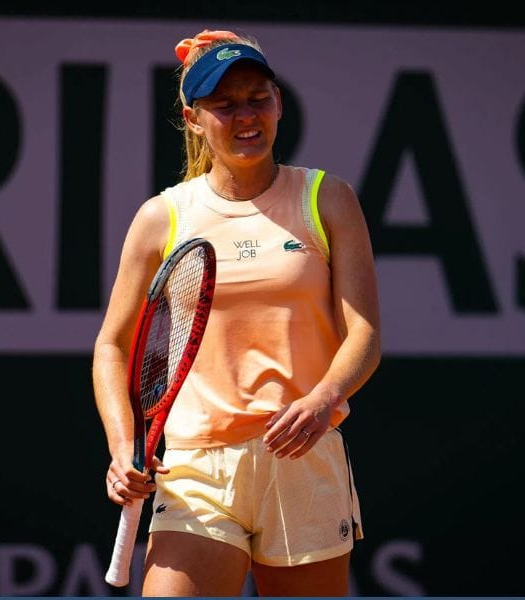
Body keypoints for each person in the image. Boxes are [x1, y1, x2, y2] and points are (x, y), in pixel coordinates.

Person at [92, 29, 380, 596]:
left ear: (278, 103)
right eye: (224, 105)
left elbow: (364, 332)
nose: (246, 116)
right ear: (194, 118)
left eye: (259, 98)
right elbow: (112, 346)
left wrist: (323, 400)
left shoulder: (328, 198)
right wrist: (123, 444)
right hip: (196, 468)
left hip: (304, 458)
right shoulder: (161, 217)